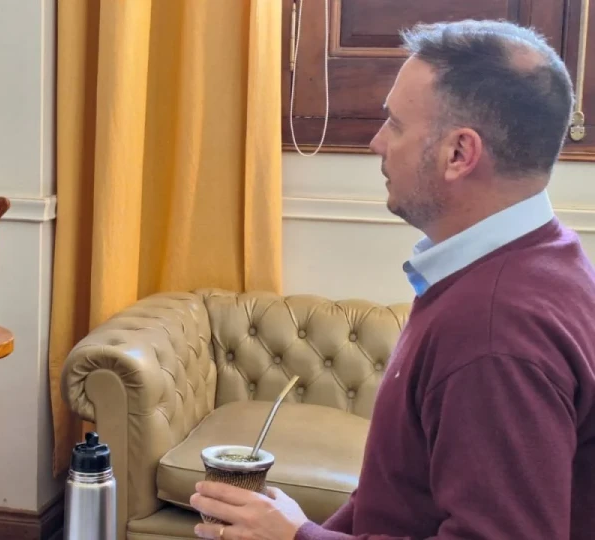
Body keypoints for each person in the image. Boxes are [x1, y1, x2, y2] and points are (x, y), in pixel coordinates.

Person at [190, 19, 595, 540]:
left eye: (396, 125)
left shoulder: (495, 331)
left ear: (459, 154)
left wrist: (296, 538)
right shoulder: (536, 259)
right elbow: (404, 486)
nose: (377, 143)